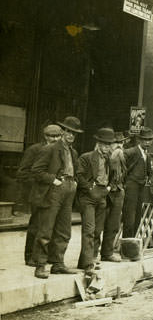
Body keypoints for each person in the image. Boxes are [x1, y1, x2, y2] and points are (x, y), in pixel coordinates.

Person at [29, 116, 82, 278]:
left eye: (74, 133)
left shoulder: (73, 152)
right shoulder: (50, 149)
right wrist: (54, 180)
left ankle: (58, 264)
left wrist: (75, 183)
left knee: (64, 229)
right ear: (62, 131)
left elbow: (77, 170)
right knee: (46, 229)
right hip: (54, 190)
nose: (71, 135)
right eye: (68, 131)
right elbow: (36, 170)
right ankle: (40, 265)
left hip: (68, 189)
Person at [18, 123, 62, 266]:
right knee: (36, 225)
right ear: (45, 136)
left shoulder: (60, 151)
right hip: (38, 193)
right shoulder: (35, 150)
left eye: (57, 136)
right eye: (51, 136)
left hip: (54, 193)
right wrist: (39, 185)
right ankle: (30, 256)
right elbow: (23, 173)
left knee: (49, 227)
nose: (54, 139)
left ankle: (43, 255)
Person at [75, 128, 116, 271]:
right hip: (88, 197)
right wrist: (89, 189)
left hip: (102, 195)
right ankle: (87, 264)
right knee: (89, 230)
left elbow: (113, 176)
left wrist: (109, 188)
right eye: (104, 144)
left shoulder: (110, 159)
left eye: (109, 144)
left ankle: (91, 258)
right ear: (98, 143)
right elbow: (79, 175)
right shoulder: (86, 157)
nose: (107, 147)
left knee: (98, 230)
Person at [123, 127, 153, 238]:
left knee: (137, 217)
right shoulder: (132, 151)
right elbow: (122, 159)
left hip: (141, 188)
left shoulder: (147, 155)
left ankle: (132, 242)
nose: (147, 142)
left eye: (149, 140)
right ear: (140, 140)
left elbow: (149, 172)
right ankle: (126, 243)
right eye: (145, 140)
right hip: (131, 187)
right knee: (129, 218)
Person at [99, 132, 126, 263]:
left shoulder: (121, 156)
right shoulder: (104, 158)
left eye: (121, 143)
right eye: (116, 143)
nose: (119, 146)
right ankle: (92, 255)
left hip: (118, 191)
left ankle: (107, 253)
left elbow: (124, 174)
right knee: (98, 224)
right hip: (106, 192)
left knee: (113, 224)